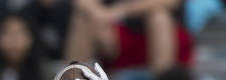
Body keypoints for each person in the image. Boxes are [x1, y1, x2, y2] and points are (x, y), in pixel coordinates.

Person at [63, 0, 193, 75]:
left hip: (164, 37)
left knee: (159, 17)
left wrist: (119, 11)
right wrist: (99, 17)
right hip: (115, 38)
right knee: (82, 19)